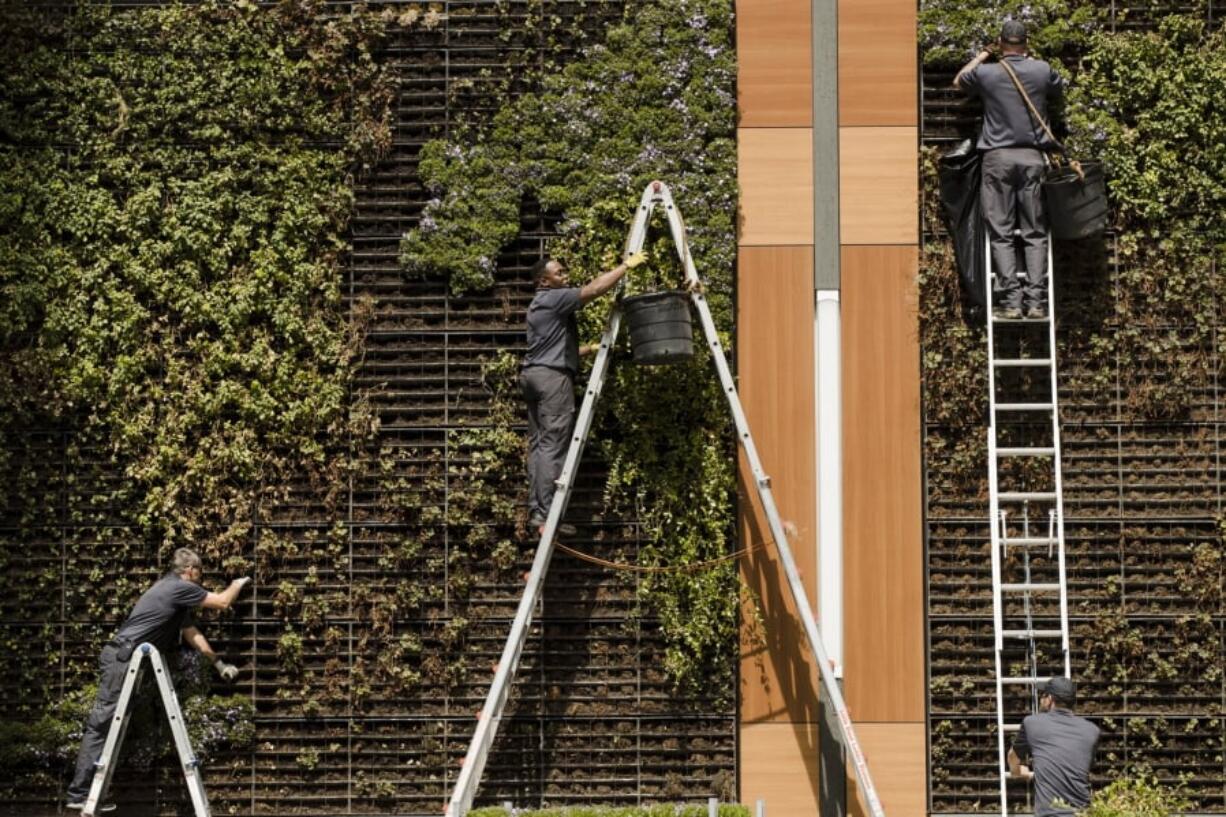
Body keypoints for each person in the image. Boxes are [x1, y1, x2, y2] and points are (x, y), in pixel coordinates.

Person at [66, 548, 252, 811]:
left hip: (124, 660)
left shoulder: (172, 594)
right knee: (101, 725)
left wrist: (218, 663)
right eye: (199, 573)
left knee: (111, 726)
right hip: (121, 660)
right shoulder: (178, 587)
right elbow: (222, 602)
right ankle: (80, 793)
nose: (200, 580)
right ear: (189, 571)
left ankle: (90, 792)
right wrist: (237, 583)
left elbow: (192, 633)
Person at [521, 250, 648, 535]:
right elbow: (594, 289)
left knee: (540, 447)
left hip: (534, 375)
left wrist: (591, 348)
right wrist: (625, 266)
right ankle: (545, 517)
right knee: (553, 445)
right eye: (559, 274)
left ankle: (537, 513)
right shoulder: (554, 298)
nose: (565, 277)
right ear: (544, 281)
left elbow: (552, 350)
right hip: (553, 380)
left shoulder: (538, 306)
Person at [953, 20, 1065, 319]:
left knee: (1001, 232)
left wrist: (984, 54)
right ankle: (1037, 302)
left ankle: (1012, 302)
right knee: (1034, 232)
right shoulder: (1041, 70)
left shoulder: (988, 73)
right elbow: (1058, 87)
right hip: (1032, 158)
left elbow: (959, 81)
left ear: (1001, 43)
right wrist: (1032, 60)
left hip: (997, 159)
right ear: (1025, 43)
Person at [1008, 676, 1100, 816]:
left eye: (1042, 695)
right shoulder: (1092, 731)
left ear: (1050, 699)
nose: (1040, 699)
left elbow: (1013, 757)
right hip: (1083, 813)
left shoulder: (1032, 723)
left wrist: (1017, 771)